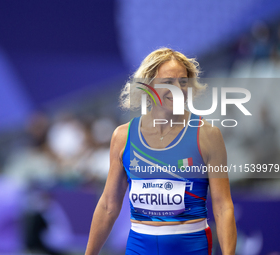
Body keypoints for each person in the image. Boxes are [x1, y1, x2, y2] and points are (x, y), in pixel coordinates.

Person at [85, 48, 237, 255]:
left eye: (183, 82)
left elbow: (223, 207)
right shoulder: (122, 137)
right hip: (139, 248)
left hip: (191, 248)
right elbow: (108, 206)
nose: (178, 89)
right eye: (168, 82)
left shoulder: (207, 135)